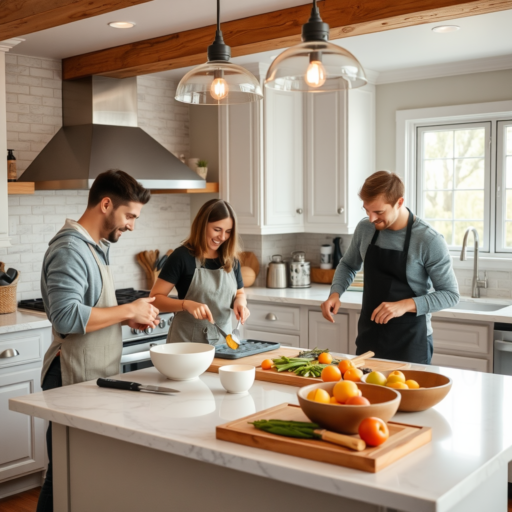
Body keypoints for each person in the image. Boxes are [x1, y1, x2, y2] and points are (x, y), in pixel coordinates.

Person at [37, 170, 159, 512]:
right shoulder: (70, 249)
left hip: (92, 374)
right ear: (106, 204)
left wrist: (128, 315)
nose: (132, 225)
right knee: (64, 475)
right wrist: (124, 310)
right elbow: (65, 316)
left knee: (83, 475)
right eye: (130, 216)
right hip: (69, 375)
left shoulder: (95, 247)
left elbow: (92, 309)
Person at [321, 171, 459, 364]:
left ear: (399, 202)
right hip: (370, 336)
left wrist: (404, 305)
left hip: (410, 341)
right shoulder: (365, 229)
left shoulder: (428, 240)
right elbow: (348, 264)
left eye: (378, 212)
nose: (371, 218)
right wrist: (335, 294)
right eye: (367, 210)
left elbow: (450, 294)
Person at [151, 199, 249, 344]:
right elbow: (155, 299)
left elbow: (239, 292)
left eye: (228, 232)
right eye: (217, 229)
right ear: (202, 225)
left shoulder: (231, 260)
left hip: (224, 342)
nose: (222, 237)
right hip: (186, 344)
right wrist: (185, 304)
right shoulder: (181, 257)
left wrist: (240, 303)